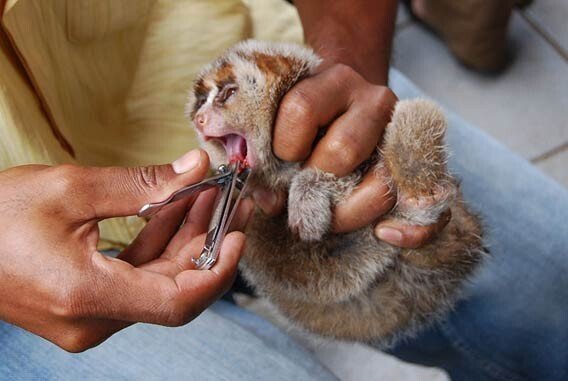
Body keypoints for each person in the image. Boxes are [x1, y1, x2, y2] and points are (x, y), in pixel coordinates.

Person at [0, 1, 566, 381]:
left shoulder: (239, 95)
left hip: (259, 77)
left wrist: (346, 76)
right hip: (19, 263)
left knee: (547, 281)